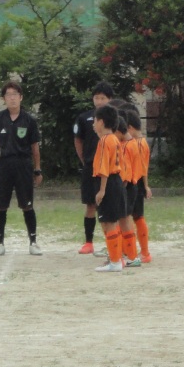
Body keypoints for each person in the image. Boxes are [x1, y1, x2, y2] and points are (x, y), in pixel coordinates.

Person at [0, 80, 43, 256]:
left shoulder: (29, 120)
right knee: (1, 205)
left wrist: (37, 170)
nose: (12, 98)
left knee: (27, 205)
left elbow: (35, 147)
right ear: (4, 99)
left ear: (21, 97)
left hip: (23, 165)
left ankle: (33, 242)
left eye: (15, 94)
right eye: (8, 95)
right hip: (3, 166)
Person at [73, 81, 115, 255]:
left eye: (103, 98)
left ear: (109, 99)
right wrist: (84, 160)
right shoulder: (85, 118)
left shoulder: (115, 118)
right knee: (90, 204)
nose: (99, 101)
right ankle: (88, 242)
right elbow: (78, 139)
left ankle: (112, 243)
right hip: (91, 166)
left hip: (110, 169)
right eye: (96, 98)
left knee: (110, 206)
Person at [91, 103, 128, 273]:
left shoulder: (105, 141)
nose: (93, 124)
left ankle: (115, 261)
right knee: (109, 222)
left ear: (101, 122)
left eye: (95, 120)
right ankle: (117, 257)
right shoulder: (114, 138)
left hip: (109, 182)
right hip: (116, 181)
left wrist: (102, 190)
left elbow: (104, 167)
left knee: (109, 222)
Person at [125, 106, 153, 265]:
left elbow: (143, 167)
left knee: (135, 217)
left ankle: (143, 252)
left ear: (129, 128)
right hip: (136, 181)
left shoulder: (140, 143)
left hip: (136, 181)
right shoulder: (139, 142)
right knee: (135, 216)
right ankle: (138, 251)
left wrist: (146, 186)